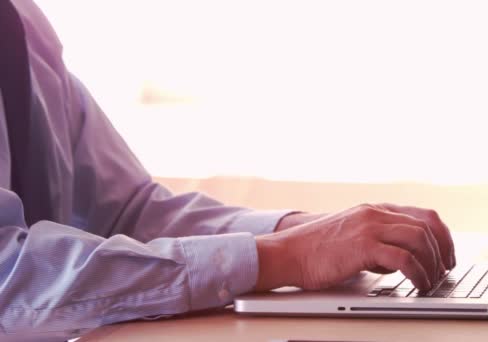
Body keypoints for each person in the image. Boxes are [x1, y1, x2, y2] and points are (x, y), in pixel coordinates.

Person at [0, 0, 455, 340]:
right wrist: (282, 256)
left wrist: (304, 232)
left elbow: (128, 211)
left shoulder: (22, 22)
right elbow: (8, 280)